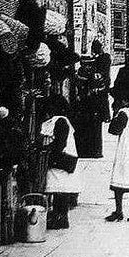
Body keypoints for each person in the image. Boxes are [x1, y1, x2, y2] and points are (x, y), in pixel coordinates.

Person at [41, 95, 79, 229]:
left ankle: (61, 218)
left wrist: (46, 149)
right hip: (63, 158)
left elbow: (60, 143)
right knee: (59, 189)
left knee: (60, 189)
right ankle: (59, 217)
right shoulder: (59, 120)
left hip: (62, 158)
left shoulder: (61, 121)